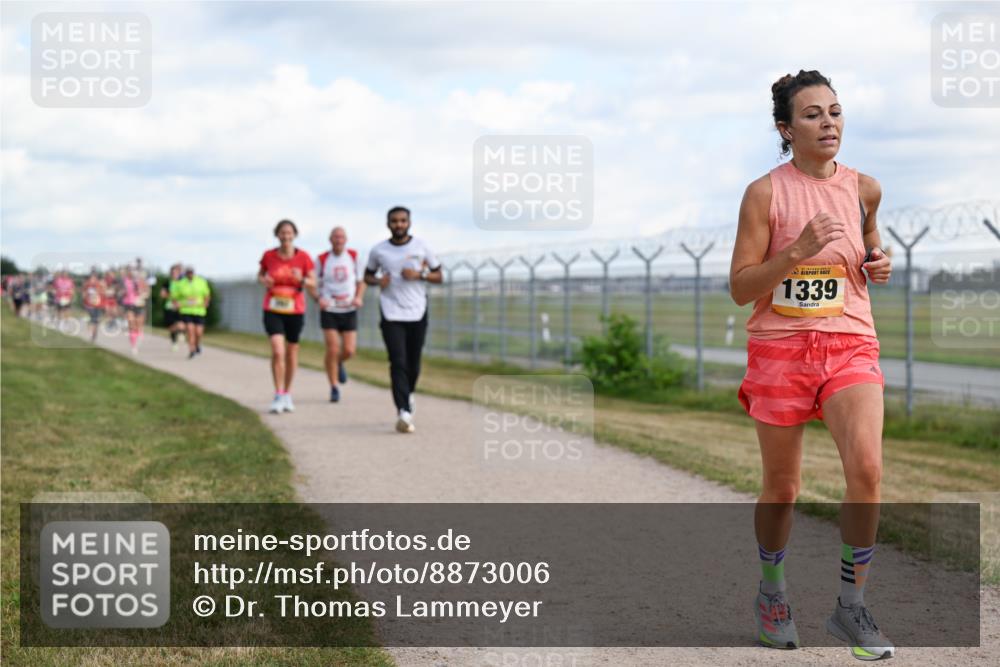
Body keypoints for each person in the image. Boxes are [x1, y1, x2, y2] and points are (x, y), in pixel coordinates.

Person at [729, 70, 894, 660]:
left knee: (868, 471)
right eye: (812, 115)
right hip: (780, 349)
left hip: (849, 341)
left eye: (835, 111)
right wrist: (796, 250)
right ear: (785, 128)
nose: (829, 123)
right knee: (783, 486)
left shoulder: (864, 188)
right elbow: (741, 287)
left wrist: (877, 262)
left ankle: (851, 607)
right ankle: (772, 592)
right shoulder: (765, 193)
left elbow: (870, 243)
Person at [364, 206, 442, 433]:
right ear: (388, 224)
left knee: (413, 362)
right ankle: (403, 411)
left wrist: (420, 275)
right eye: (394, 221)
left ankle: (408, 395)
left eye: (402, 221)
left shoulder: (422, 247)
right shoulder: (379, 250)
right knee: (397, 361)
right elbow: (367, 276)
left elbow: (439, 275)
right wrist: (379, 281)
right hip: (391, 312)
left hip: (417, 310)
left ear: (409, 222)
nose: (399, 225)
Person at [258, 219, 316, 414]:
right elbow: (260, 275)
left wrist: (303, 279)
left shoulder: (304, 258)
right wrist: (264, 279)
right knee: (277, 351)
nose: (286, 236)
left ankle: (288, 393)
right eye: (282, 232)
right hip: (273, 308)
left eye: (289, 232)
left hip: (295, 309)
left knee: (291, 352)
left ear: (294, 235)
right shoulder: (269, 256)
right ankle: (278, 393)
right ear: (277, 235)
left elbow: (313, 282)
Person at [309, 226, 365, 403]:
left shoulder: (354, 257)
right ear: (330, 239)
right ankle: (334, 386)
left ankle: (338, 363)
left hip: (348, 308)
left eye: (341, 237)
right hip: (330, 309)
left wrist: (358, 297)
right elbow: (311, 283)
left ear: (346, 239)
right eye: (335, 237)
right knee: (333, 349)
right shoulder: (322, 259)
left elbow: (361, 281)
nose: (339, 240)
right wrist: (318, 299)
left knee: (349, 350)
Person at [170, 266, 211, 359]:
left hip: (199, 311)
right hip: (186, 310)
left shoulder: (201, 282)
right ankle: (191, 349)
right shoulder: (181, 284)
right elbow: (174, 297)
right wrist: (177, 304)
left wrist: (206, 303)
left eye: (191, 272)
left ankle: (197, 344)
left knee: (198, 332)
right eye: (188, 272)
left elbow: (207, 295)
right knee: (190, 330)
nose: (190, 274)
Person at [120, 265, 149, 355]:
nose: (132, 273)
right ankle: (133, 345)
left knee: (137, 325)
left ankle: (138, 336)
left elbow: (147, 293)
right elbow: (120, 291)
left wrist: (142, 295)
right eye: (130, 271)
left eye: (134, 271)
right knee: (131, 323)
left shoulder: (142, 281)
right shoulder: (125, 281)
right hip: (129, 304)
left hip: (139, 305)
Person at [161, 264, 185, 351]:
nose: (174, 274)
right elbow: (163, 294)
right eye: (173, 272)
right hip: (170, 306)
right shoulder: (167, 283)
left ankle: (181, 333)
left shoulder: (183, 282)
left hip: (181, 306)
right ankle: (174, 342)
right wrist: (171, 296)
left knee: (181, 324)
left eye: (176, 272)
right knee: (171, 327)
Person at [82, 271, 105, 342]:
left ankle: (94, 335)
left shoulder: (100, 284)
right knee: (92, 319)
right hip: (89, 305)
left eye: (94, 278)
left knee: (96, 321)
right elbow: (84, 294)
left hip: (98, 305)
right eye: (91, 277)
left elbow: (103, 293)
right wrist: (85, 301)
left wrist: (100, 290)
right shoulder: (87, 284)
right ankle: (91, 333)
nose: (93, 279)